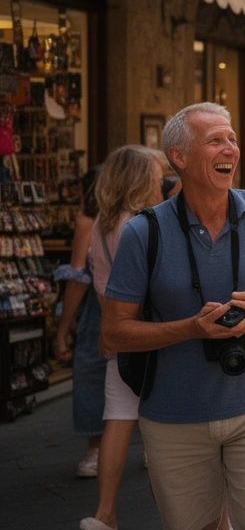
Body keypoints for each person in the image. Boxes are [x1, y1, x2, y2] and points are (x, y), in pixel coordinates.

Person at [101, 103, 245, 530]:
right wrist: (190, 328)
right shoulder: (143, 232)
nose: (230, 149)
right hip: (173, 417)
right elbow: (113, 333)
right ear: (178, 157)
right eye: (215, 140)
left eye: (232, 139)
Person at [78, 146, 170, 530]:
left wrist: (112, 329)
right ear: (139, 179)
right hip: (158, 334)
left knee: (117, 417)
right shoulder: (146, 224)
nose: (162, 181)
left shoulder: (101, 225)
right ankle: (184, 513)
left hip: (120, 333)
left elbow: (103, 290)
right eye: (155, 174)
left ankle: (105, 513)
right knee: (169, 425)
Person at [54, 168, 103, 478]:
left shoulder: (89, 219)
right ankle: (153, 447)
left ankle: (95, 448)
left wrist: (62, 330)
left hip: (99, 306)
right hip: (139, 304)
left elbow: (77, 277)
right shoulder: (146, 213)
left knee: (90, 370)